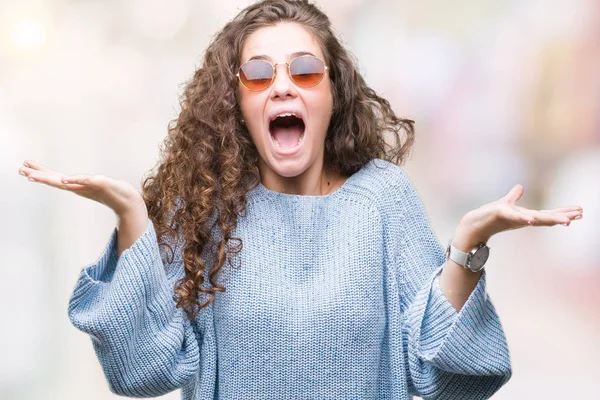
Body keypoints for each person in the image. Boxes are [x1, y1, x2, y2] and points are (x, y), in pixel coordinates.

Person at [18, 0, 584, 399]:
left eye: (305, 70)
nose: (283, 85)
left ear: (333, 94)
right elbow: (142, 372)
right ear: (234, 101)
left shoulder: (382, 201)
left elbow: (453, 380)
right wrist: (131, 219)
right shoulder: (205, 208)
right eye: (259, 74)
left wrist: (466, 249)